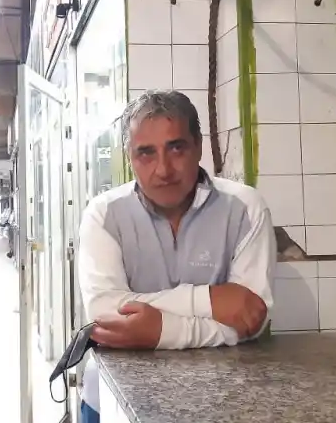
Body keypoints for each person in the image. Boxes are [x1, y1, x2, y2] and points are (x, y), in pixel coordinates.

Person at [77, 90, 277, 423]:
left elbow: (251, 319)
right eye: (146, 153)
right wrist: (208, 301)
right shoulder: (104, 214)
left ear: (198, 146)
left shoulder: (245, 208)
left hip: (221, 401)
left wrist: (158, 331)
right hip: (110, 401)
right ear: (129, 157)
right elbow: (103, 310)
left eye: (176, 147)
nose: (163, 169)